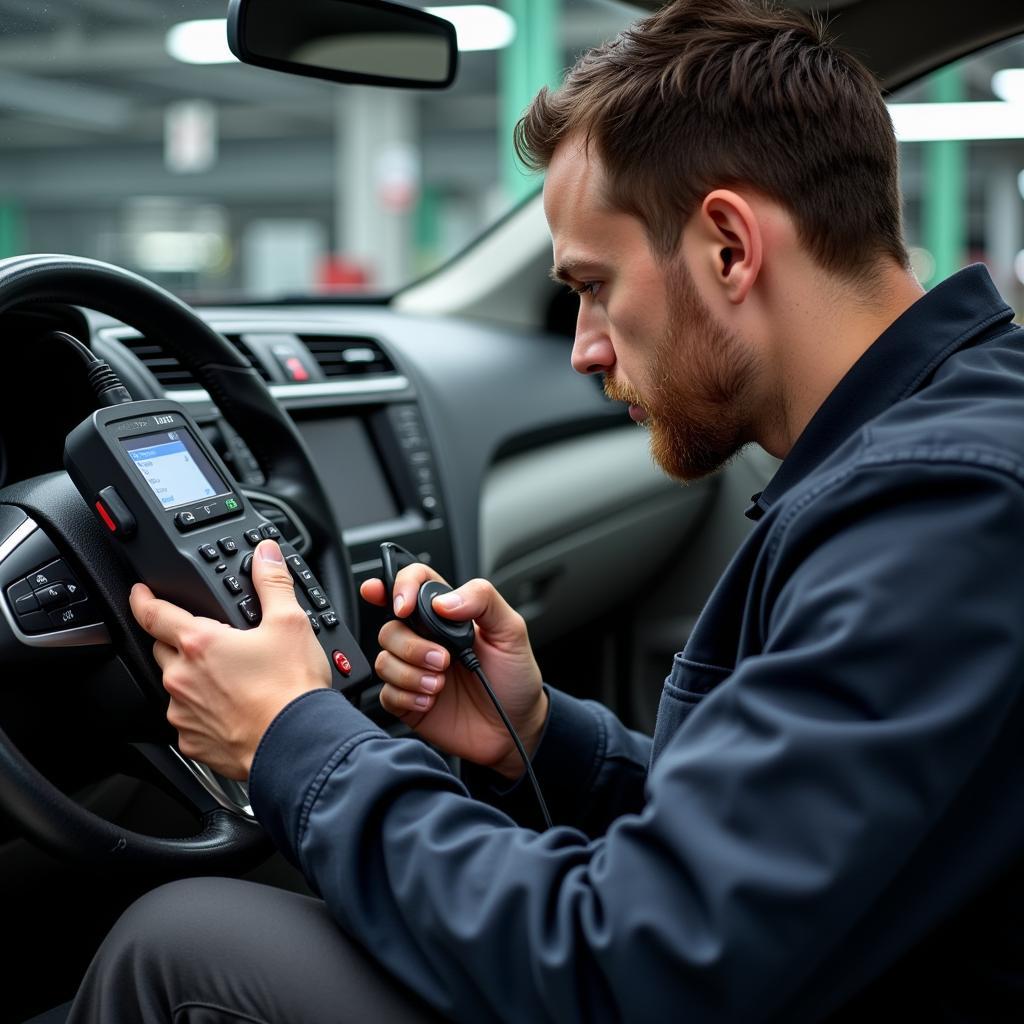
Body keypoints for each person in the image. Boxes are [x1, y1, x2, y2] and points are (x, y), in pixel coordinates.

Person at [46, 0, 1024, 1020]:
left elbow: (633, 965)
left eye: (593, 286)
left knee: (180, 942)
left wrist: (293, 737)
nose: (584, 347)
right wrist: (546, 736)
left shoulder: (943, 505)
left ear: (730, 247)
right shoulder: (944, 445)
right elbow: (802, 850)